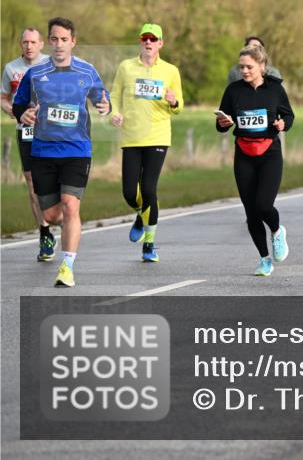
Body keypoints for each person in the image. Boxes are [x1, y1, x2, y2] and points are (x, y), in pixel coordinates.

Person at [12, 17, 111, 287]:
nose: (58, 44)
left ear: (73, 42)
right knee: (51, 215)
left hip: (77, 150)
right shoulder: (35, 73)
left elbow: (103, 98)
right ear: (49, 41)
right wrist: (25, 116)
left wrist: (105, 107)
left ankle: (67, 266)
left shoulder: (87, 71)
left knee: (70, 206)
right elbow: (18, 105)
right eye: (54, 39)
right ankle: (54, 234)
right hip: (43, 151)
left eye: (64, 39)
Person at [109, 23, 184, 262]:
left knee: (149, 189)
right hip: (131, 136)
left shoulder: (171, 71)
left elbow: (179, 106)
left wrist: (173, 101)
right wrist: (114, 114)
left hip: (158, 135)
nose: (148, 43)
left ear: (161, 43)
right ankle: (142, 215)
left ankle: (149, 245)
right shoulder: (126, 67)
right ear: (140, 42)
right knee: (130, 192)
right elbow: (114, 95)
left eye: (153, 39)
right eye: (145, 39)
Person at [216, 45, 294, 276]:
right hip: (244, 154)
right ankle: (264, 259)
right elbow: (222, 121)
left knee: (263, 205)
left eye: (249, 67)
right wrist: (222, 123)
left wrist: (283, 124)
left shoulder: (275, 90)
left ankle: (277, 231)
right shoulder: (233, 90)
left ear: (262, 66)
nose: (245, 71)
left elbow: (288, 115)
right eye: (241, 67)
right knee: (251, 212)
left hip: (269, 153)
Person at [1, 27, 54, 259]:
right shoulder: (12, 69)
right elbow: (3, 97)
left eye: (33, 42)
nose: (29, 46)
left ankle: (61, 215)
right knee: (32, 184)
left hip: (53, 130)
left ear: (41, 44)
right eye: (25, 42)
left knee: (55, 180)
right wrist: (11, 109)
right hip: (27, 131)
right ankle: (44, 233)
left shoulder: (53, 64)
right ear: (21, 45)